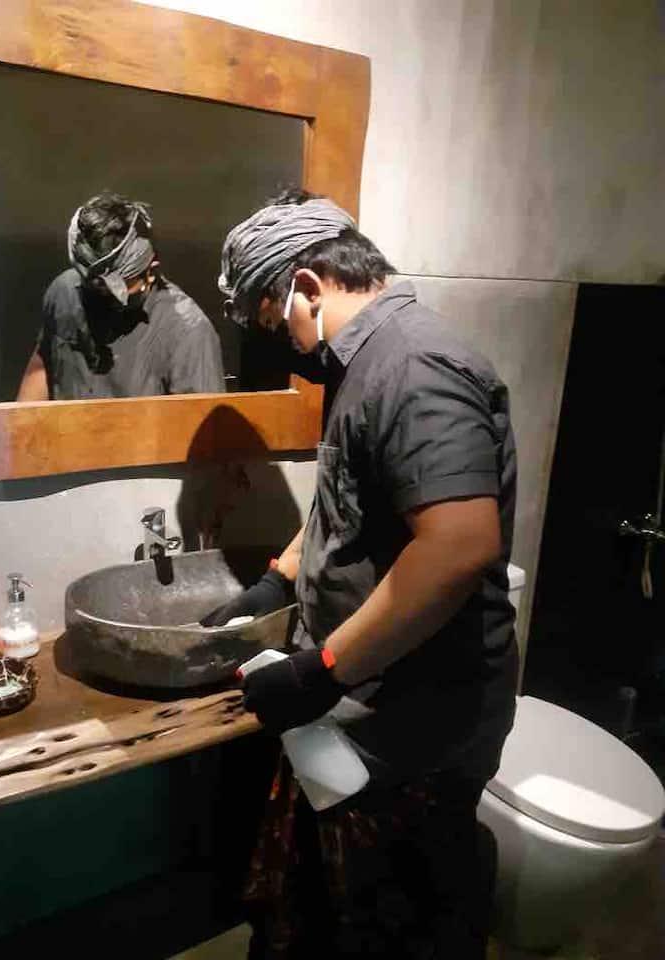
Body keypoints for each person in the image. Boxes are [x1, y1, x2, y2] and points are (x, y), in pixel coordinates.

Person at [204, 189, 518, 959]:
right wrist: (280, 577)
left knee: (397, 927)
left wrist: (324, 670)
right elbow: (349, 500)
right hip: (377, 701)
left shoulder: (412, 366)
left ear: (309, 287)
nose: (281, 346)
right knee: (338, 912)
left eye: (274, 324)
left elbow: (459, 545)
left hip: (421, 720)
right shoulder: (366, 362)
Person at [17, 191, 225, 400]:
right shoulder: (65, 292)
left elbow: (199, 418)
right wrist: (20, 420)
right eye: (93, 288)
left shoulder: (187, 331)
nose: (101, 302)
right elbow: (42, 366)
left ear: (151, 272)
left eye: (114, 294)